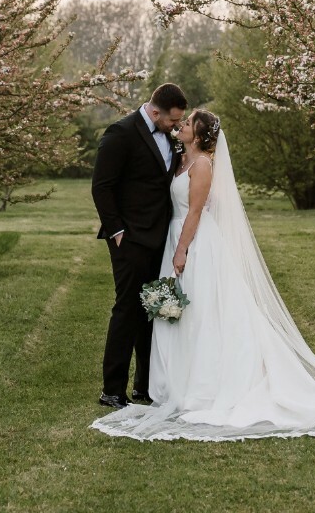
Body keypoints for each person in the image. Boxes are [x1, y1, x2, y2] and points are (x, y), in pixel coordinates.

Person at [91, 110, 315, 441]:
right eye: (181, 121)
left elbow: (195, 211)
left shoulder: (203, 165)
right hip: (173, 237)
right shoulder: (180, 158)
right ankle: (172, 382)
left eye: (188, 122)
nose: (181, 125)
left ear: (198, 135)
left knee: (204, 312)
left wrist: (182, 250)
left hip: (194, 243)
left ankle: (207, 384)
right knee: (179, 313)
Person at [91, 82, 187, 410]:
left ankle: (145, 386)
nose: (177, 126)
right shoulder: (120, 133)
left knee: (154, 309)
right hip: (130, 238)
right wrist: (117, 231)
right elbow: (102, 187)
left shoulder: (171, 137)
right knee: (127, 309)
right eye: (173, 120)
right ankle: (112, 390)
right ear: (155, 112)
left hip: (161, 237)